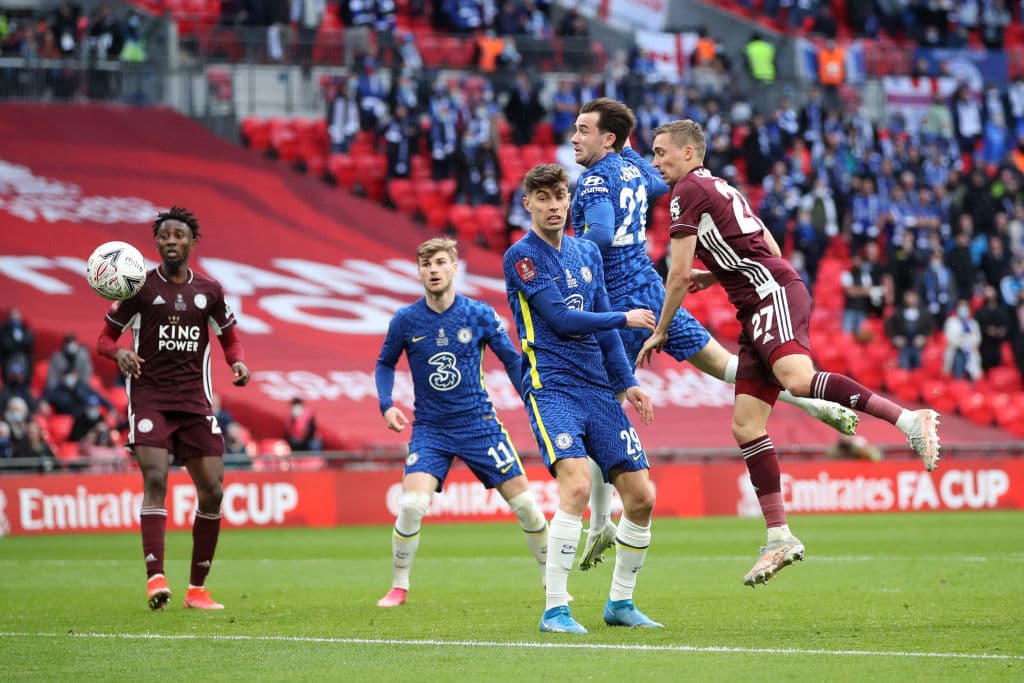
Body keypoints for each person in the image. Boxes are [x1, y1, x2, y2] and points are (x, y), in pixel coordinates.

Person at [639, 120, 941, 588]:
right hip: (761, 297)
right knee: (745, 425)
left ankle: (908, 420)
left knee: (799, 380)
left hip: (768, 296)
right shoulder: (720, 187)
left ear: (687, 151)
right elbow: (768, 246)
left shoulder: (685, 192)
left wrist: (661, 330)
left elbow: (676, 275)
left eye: (661, 153)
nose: (656, 162)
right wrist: (718, 276)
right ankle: (779, 535)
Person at [568, 98, 859, 572]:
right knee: (728, 367)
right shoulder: (634, 168)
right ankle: (817, 404)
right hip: (651, 283)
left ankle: (600, 521)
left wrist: (569, 253)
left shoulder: (595, 179)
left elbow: (599, 234)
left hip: (619, 300)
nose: (574, 138)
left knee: (603, 406)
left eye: (583, 129)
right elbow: (656, 179)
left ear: (608, 139)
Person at [504, 163, 661, 633]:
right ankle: (555, 608)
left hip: (597, 388)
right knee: (574, 487)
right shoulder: (521, 257)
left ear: (569, 201)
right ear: (527, 203)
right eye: (543, 197)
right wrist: (622, 317)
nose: (554, 205)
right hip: (552, 387)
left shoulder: (587, 252)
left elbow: (604, 327)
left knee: (642, 497)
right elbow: (562, 319)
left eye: (560, 197)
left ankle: (620, 603)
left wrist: (628, 381)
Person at [374, 237, 549, 608]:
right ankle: (399, 586)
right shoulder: (405, 320)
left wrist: (533, 399)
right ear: (419, 271)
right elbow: (385, 363)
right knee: (411, 505)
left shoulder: (480, 315)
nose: (433, 270)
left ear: (454, 268)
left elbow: (512, 361)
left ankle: (553, 581)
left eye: (439, 263)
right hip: (430, 429)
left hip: (479, 424)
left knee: (527, 507)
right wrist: (387, 404)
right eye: (426, 264)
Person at [96, 206, 250, 611]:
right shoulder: (138, 289)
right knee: (156, 478)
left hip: (195, 402)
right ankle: (156, 578)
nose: (171, 241)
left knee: (214, 491)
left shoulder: (210, 290)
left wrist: (237, 361)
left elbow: (229, 337)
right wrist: (119, 356)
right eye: (164, 235)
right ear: (157, 243)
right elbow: (104, 340)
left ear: (191, 242)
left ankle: (197, 589)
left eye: (178, 235)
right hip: (151, 398)